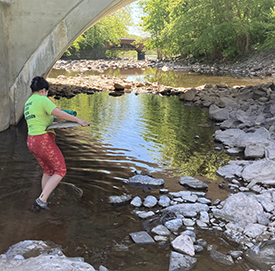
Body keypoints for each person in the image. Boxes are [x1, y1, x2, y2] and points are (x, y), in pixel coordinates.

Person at [24, 76, 89, 212]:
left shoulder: (28, 102)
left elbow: (42, 121)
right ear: (43, 90)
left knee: (47, 170)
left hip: (31, 141)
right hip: (43, 140)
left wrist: (58, 125)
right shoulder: (43, 99)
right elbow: (58, 112)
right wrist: (78, 120)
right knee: (60, 170)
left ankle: (45, 196)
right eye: (47, 91)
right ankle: (41, 200)